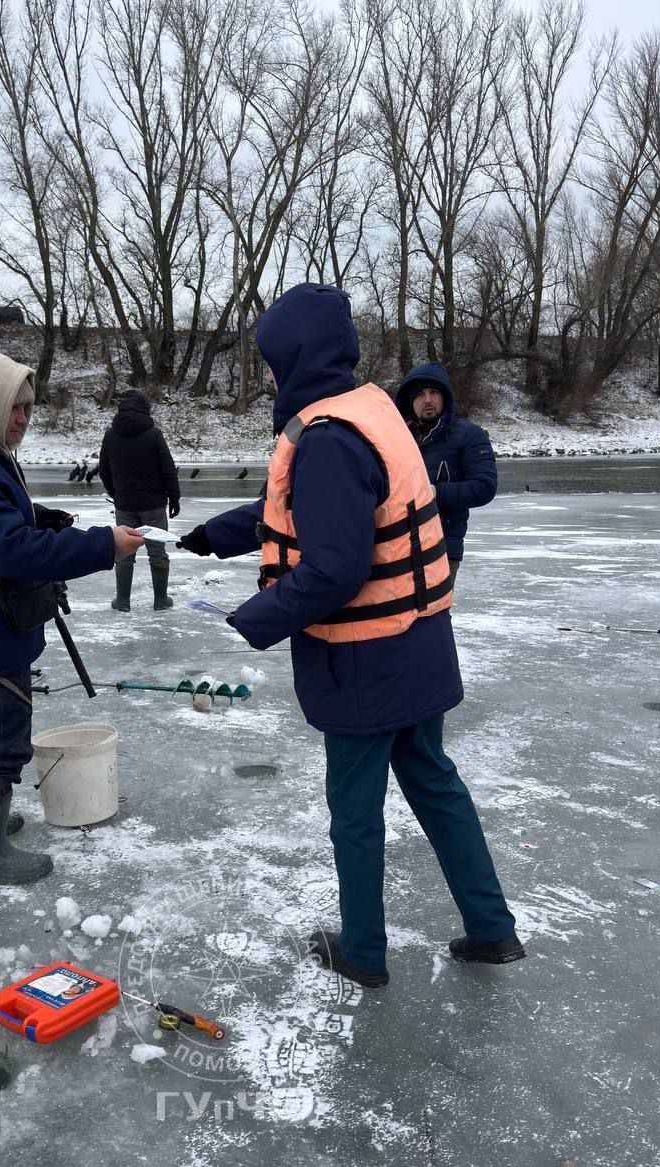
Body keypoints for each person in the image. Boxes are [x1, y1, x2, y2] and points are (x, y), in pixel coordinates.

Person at [178, 284, 523, 988]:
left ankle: (363, 951)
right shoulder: (369, 412)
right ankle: (493, 929)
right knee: (436, 784)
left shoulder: (329, 437)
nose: (270, 374)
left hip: (368, 659)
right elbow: (307, 508)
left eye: (272, 361)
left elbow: (334, 567)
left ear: (297, 358)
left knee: (355, 815)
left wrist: (255, 617)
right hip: (420, 646)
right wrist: (217, 536)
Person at [0, 347, 144, 885]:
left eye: (29, 408)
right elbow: (9, 551)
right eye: (15, 407)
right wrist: (103, 545)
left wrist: (39, 517)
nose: (23, 419)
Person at [394, 362, 497, 586]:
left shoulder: (469, 435)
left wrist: (435, 493)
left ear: (445, 397)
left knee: (434, 617)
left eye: (434, 392)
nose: (428, 399)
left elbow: (485, 487)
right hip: (398, 549)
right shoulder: (398, 438)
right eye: (420, 395)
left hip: (441, 549)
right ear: (411, 403)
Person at [98, 390, 180, 612]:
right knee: (157, 552)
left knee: (124, 553)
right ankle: (160, 601)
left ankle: (123, 602)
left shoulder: (110, 435)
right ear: (145, 409)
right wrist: (175, 497)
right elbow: (168, 470)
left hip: (125, 504)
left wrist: (116, 493)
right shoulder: (153, 435)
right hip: (153, 504)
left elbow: (103, 471)